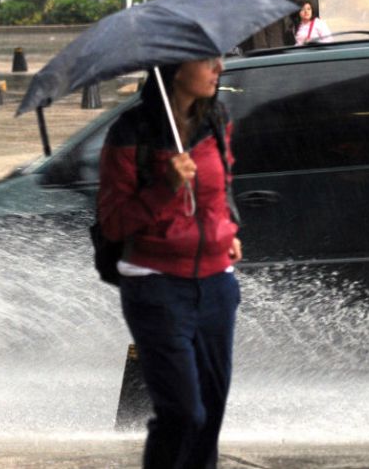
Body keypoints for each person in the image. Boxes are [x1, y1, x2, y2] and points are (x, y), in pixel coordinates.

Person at [97, 58, 242, 468]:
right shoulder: (131, 133)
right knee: (183, 414)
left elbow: (223, 187)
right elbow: (113, 223)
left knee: (210, 417)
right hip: (155, 286)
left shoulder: (216, 119)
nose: (220, 66)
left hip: (217, 285)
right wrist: (166, 186)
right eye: (207, 59)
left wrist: (229, 230)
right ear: (177, 69)